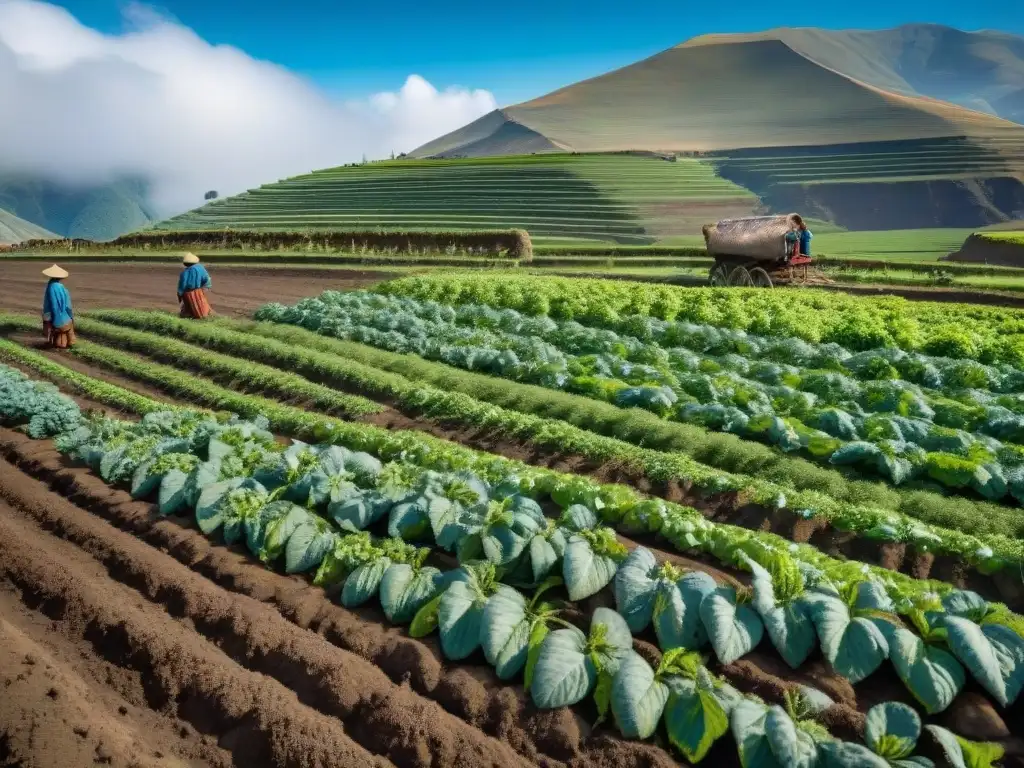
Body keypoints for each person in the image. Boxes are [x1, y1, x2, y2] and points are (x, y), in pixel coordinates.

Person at [41, 264, 75, 349]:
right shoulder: (61, 287)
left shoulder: (50, 286)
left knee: (57, 332)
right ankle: (66, 344)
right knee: (65, 331)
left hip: (50, 315)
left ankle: (52, 342)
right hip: (60, 317)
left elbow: (49, 304)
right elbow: (67, 305)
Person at [177, 252, 213, 319]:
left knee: (189, 305)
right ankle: (205, 314)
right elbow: (207, 278)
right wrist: (205, 287)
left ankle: (191, 315)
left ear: (185, 263)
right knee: (202, 302)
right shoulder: (201, 268)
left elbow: (182, 285)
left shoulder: (185, 272)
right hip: (203, 287)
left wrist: (180, 294)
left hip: (190, 291)